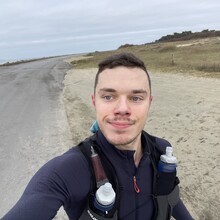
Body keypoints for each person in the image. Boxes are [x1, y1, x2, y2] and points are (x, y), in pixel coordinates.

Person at [1, 53, 194, 220]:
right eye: (109, 96)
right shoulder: (68, 170)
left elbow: (169, 196)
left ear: (149, 103)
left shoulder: (160, 150)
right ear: (94, 101)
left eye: (136, 98)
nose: (122, 109)